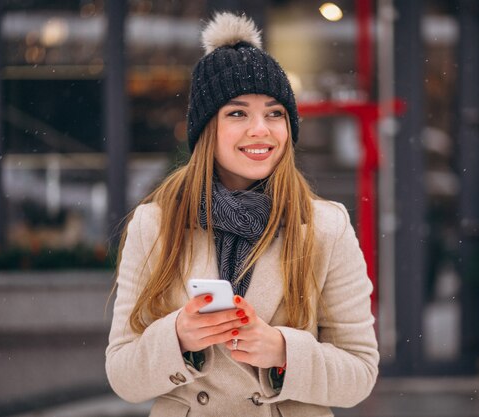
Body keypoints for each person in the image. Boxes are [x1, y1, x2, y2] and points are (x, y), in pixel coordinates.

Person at [105, 12, 379, 417]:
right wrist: (178, 338)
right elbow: (122, 375)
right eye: (237, 113)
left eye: (274, 113)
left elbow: (360, 373)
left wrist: (283, 351)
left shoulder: (324, 227)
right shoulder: (157, 224)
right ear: (205, 130)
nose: (261, 130)